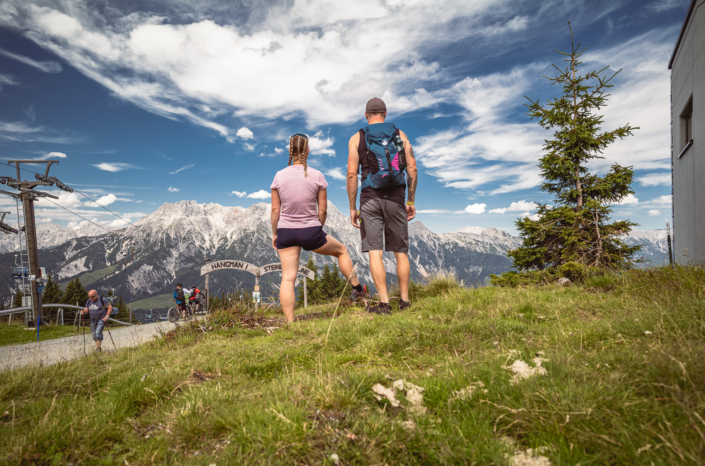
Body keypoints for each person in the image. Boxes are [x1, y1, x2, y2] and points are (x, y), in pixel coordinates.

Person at [271, 133, 365, 323]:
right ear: (308, 151)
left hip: (286, 233)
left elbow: (275, 210)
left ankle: (291, 323)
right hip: (311, 231)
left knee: (288, 278)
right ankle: (358, 290)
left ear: (290, 151)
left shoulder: (279, 176)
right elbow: (322, 210)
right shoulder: (317, 175)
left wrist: (275, 233)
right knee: (342, 251)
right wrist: (316, 229)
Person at [347, 97, 418, 314]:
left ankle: (384, 304)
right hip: (396, 197)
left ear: (366, 114)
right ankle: (404, 302)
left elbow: (351, 174)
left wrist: (352, 207)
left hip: (369, 199)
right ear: (385, 114)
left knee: (375, 253)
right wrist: (411, 200)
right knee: (400, 251)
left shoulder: (357, 138)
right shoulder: (400, 136)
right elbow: (412, 169)